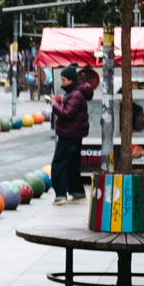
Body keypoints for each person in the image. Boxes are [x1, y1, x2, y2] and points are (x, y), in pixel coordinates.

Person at [51, 68, 93, 203]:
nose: (62, 83)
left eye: (64, 80)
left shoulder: (75, 95)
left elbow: (67, 113)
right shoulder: (76, 93)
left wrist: (54, 105)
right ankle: (77, 191)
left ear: (71, 80)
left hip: (69, 133)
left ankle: (60, 195)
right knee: (72, 164)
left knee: (59, 163)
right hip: (75, 133)